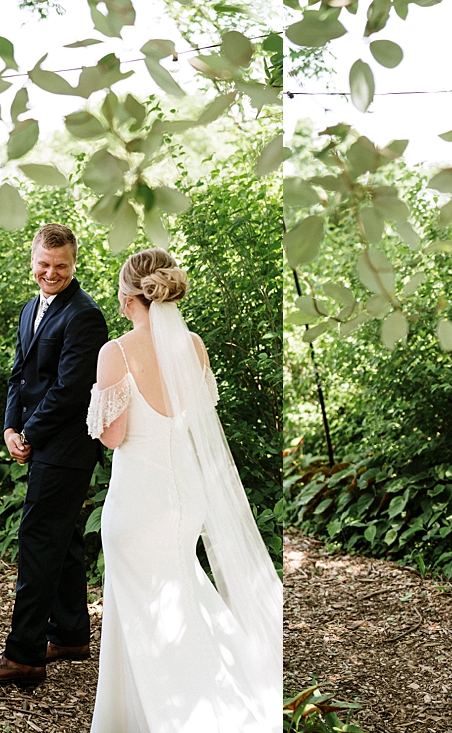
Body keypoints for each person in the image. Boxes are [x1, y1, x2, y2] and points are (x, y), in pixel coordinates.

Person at [85, 248, 282, 732]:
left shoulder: (116, 352)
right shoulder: (193, 347)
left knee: (142, 612)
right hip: (185, 498)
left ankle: (168, 716)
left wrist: (92, 406)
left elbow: (114, 437)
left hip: (137, 503)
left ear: (128, 297)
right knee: (182, 599)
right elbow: (196, 417)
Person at [0, 223, 109, 684]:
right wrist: (11, 425)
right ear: (33, 261)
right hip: (38, 438)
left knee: (38, 544)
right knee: (63, 539)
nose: (51, 273)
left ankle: (24, 656)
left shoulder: (85, 315)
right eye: (44, 265)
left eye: (61, 266)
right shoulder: (31, 307)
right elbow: (19, 375)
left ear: (75, 263)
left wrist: (28, 433)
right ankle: (70, 634)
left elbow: (71, 390)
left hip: (67, 448)